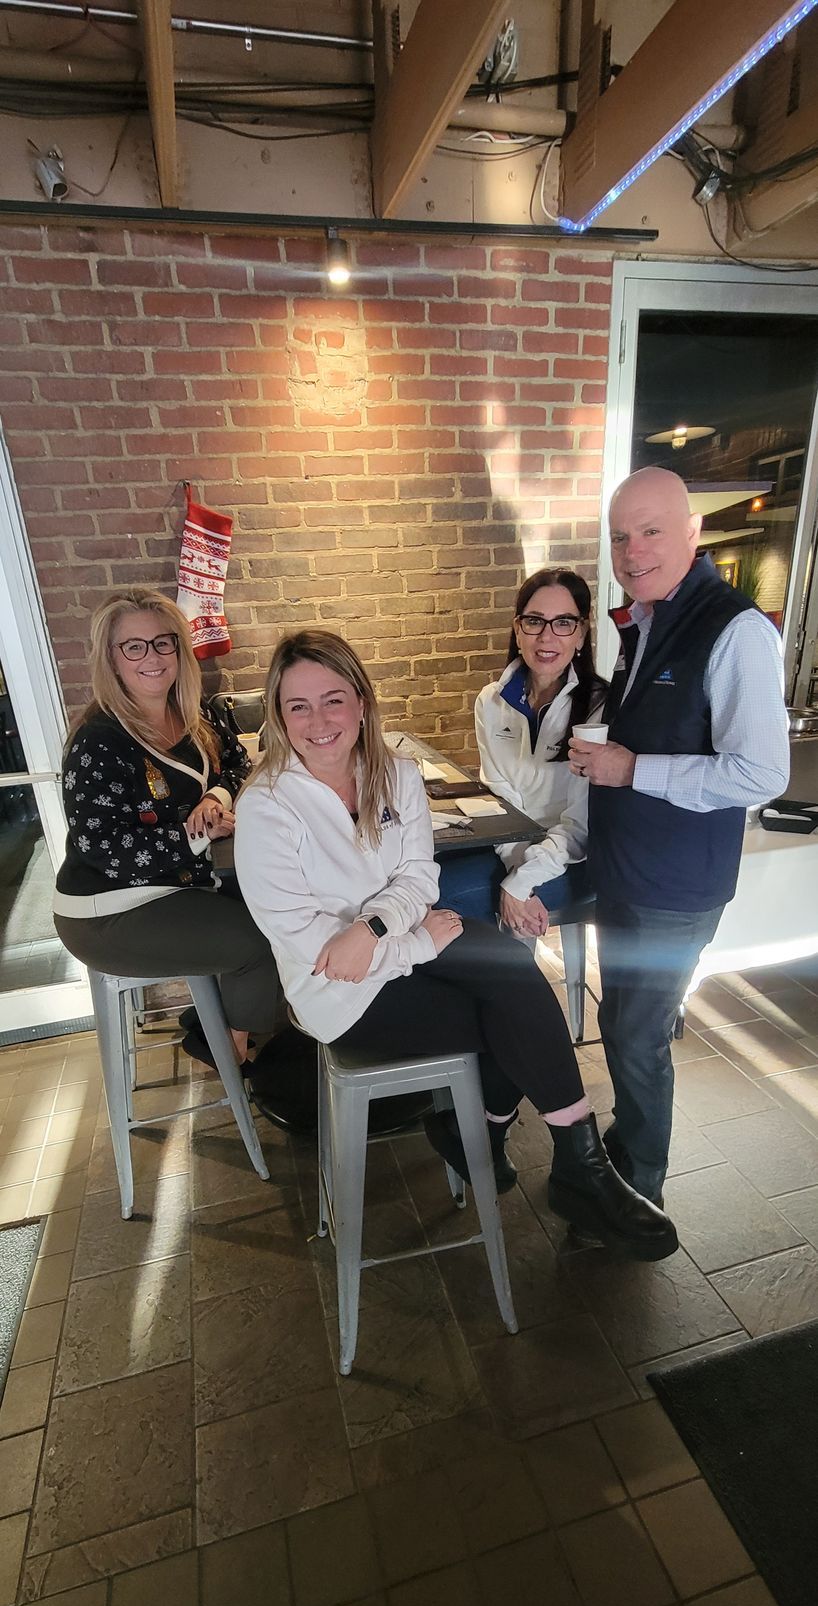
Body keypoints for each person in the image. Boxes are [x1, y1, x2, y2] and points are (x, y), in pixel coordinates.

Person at [234, 628, 679, 1260]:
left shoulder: (396, 775)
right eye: (297, 706)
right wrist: (409, 945)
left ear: (361, 701)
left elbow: (418, 878)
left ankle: (570, 1159)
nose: (318, 721)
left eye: (333, 700)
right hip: (341, 998)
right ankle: (534, 1152)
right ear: (279, 717)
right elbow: (320, 953)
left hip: (391, 944)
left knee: (512, 969)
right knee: (506, 1016)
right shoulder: (267, 807)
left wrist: (376, 928)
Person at [569, 466, 791, 1208]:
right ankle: (629, 1144)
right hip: (628, 873)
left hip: (677, 888)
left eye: (652, 530)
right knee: (618, 1018)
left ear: (693, 534)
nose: (632, 551)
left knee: (637, 1036)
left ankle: (641, 1190)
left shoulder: (737, 631)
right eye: (620, 536)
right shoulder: (647, 618)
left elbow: (761, 774)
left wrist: (632, 768)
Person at [53, 586, 279, 1066]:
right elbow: (107, 849)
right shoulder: (99, 742)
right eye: (133, 646)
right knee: (260, 942)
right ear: (111, 659)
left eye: (163, 642)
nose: (151, 657)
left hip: (174, 886)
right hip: (109, 909)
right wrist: (199, 834)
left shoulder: (195, 716)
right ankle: (231, 1051)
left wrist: (217, 796)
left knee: (283, 907)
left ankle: (222, 1024)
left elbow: (242, 765)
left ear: (179, 648)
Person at [437, 568, 606, 934]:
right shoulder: (491, 701)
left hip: (574, 861)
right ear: (517, 629)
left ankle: (504, 987)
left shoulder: (599, 711)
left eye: (563, 623)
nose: (546, 636)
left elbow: (580, 827)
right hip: (513, 847)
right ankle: (495, 980)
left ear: (581, 634)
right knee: (417, 868)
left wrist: (522, 881)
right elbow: (502, 801)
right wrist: (518, 874)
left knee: (443, 896)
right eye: (534, 621)